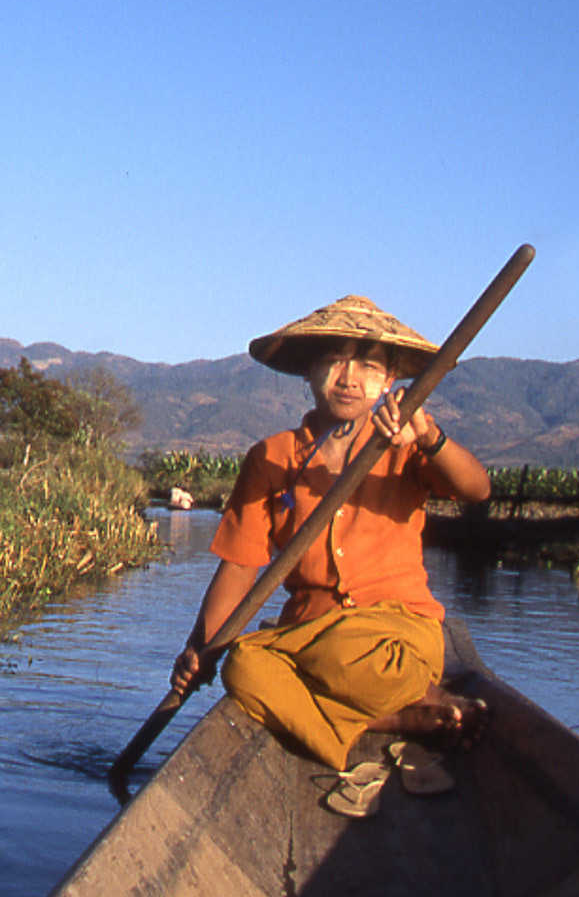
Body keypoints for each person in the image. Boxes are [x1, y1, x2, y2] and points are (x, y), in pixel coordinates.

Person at [169, 295, 492, 771]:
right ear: (308, 372)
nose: (349, 378)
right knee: (245, 668)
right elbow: (239, 565)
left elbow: (477, 488)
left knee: (366, 660)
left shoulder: (405, 442)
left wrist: (428, 437)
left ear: (389, 379)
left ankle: (397, 700)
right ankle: (393, 719)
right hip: (311, 636)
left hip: (394, 632)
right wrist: (201, 648)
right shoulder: (271, 457)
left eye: (367, 364)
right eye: (333, 360)